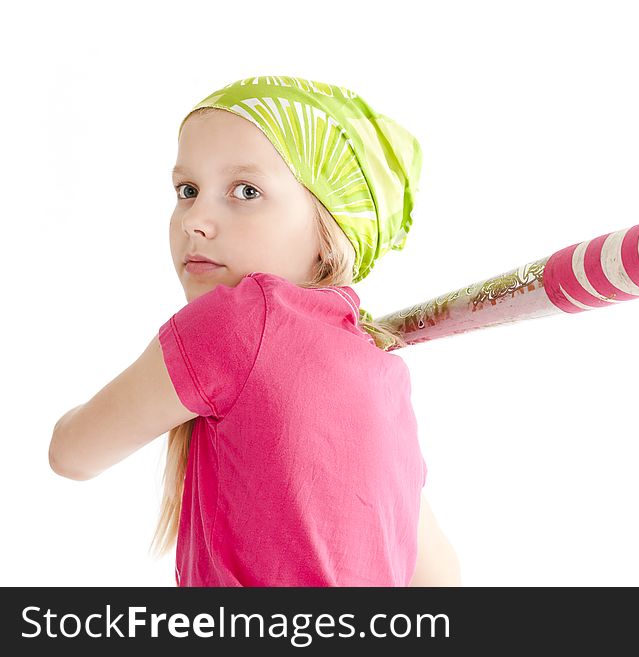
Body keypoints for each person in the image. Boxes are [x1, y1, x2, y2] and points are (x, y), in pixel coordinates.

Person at [48, 74, 461, 587]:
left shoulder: (238, 322)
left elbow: (71, 454)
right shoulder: (382, 369)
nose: (194, 219)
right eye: (187, 190)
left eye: (246, 191)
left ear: (328, 225)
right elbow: (439, 578)